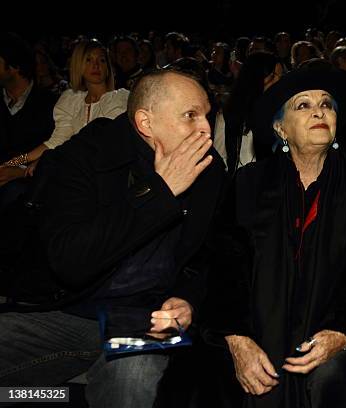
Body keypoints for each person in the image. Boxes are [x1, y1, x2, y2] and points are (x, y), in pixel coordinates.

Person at [0, 68, 226, 408]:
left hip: (145, 320)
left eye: (207, 115)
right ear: (146, 123)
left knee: (132, 380)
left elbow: (211, 255)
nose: (206, 128)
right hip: (67, 310)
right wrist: (160, 194)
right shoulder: (85, 158)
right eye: (190, 116)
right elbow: (71, 261)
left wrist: (187, 298)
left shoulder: (209, 170)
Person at [204, 61, 346, 407]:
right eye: (304, 105)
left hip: (332, 340)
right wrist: (237, 339)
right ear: (281, 130)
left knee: (340, 378)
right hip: (254, 335)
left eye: (327, 104)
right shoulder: (248, 185)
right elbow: (223, 270)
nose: (319, 111)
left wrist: (344, 334)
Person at [4, 38, 129, 180]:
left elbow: (102, 144)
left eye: (102, 60)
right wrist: (14, 162)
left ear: (108, 67)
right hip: (73, 176)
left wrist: (47, 160)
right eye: (88, 60)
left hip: (105, 176)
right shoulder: (71, 100)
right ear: (78, 65)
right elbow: (56, 141)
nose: (96, 65)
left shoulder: (119, 99)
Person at [0, 32, 57, 211]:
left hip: (29, 188)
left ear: (14, 66)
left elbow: (55, 148)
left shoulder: (51, 104)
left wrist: (21, 170)